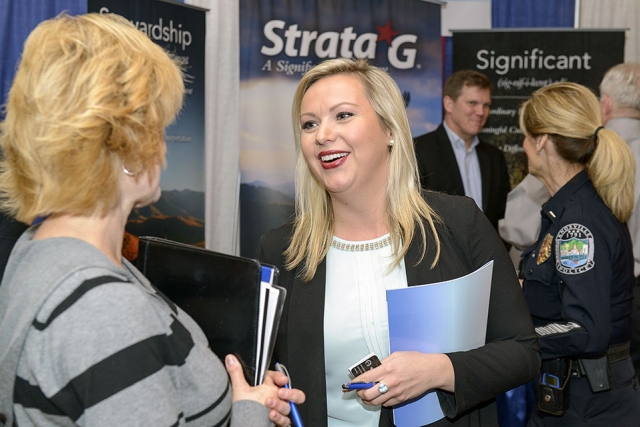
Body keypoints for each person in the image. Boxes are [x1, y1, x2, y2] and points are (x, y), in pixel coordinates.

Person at [0, 13, 303, 427]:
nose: (164, 145)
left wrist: (237, 398)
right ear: (126, 145)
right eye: (159, 125)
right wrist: (248, 413)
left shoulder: (39, 248)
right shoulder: (103, 307)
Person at [257, 58, 539, 427]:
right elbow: (266, 370)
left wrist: (440, 370)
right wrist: (269, 393)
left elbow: (523, 352)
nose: (322, 134)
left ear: (389, 129)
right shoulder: (281, 250)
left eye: (342, 115)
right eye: (309, 124)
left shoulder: (456, 224)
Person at [519, 82, 640, 426]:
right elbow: (559, 289)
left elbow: (586, 329)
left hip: (588, 405)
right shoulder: (566, 209)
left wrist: (515, 340)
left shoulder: (577, 224)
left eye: (526, 136)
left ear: (542, 140)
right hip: (571, 396)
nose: (523, 146)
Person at [414, 70, 510, 232]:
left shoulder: (494, 157)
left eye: (486, 105)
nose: (481, 112)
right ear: (449, 104)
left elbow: (502, 217)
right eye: (472, 103)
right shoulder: (418, 151)